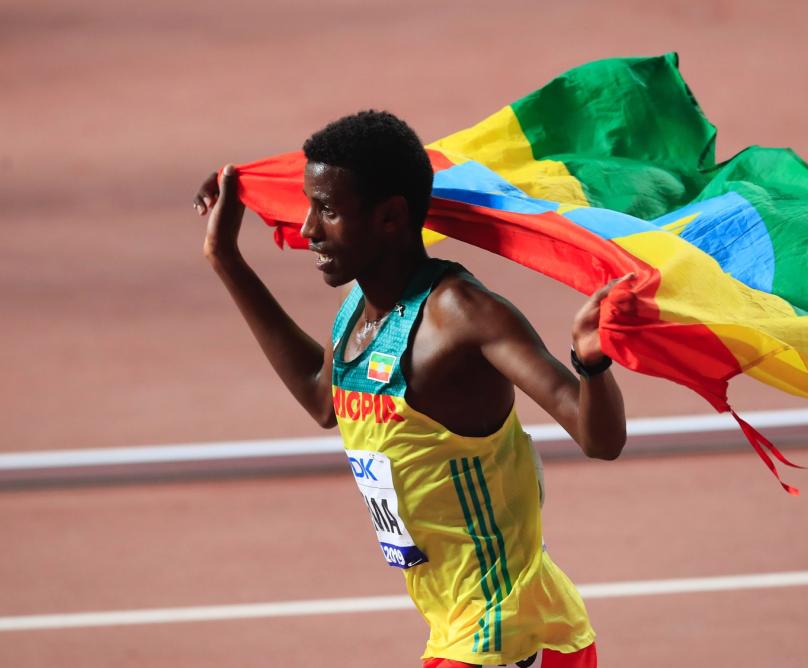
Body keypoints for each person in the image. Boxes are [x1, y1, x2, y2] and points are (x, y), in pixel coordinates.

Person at [193, 110, 631, 667]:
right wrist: (227, 260)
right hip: (466, 627)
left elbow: (601, 440)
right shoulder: (357, 311)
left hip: (506, 631)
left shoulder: (463, 316)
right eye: (309, 206)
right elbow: (323, 397)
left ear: (391, 217)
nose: (307, 230)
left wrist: (591, 363)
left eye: (327, 210)